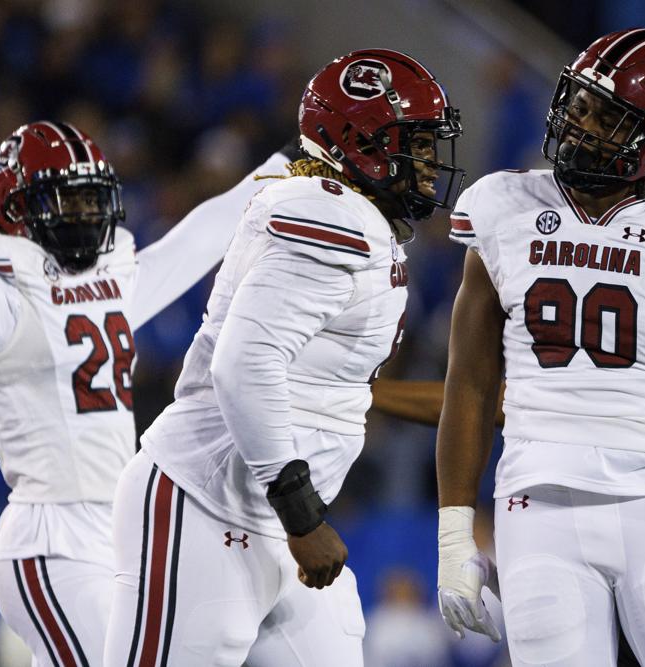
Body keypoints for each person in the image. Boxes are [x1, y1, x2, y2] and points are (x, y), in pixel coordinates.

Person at [0, 70, 295, 665]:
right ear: (16, 209)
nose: (84, 212)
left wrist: (295, 158)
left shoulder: (111, 281)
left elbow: (206, 230)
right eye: (66, 197)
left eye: (90, 196)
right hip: (49, 540)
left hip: (117, 535)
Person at [103, 48, 464, 666]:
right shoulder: (329, 215)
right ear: (363, 141)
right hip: (208, 504)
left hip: (273, 516)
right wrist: (302, 516)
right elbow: (243, 366)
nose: (429, 165)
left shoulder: (347, 212)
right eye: (418, 144)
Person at [435, 28, 645, 665]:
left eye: (605, 115)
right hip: (537, 505)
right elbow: (470, 383)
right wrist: (455, 535)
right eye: (579, 102)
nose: (578, 123)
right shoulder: (504, 206)